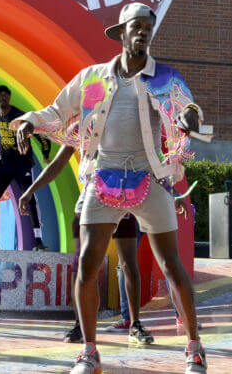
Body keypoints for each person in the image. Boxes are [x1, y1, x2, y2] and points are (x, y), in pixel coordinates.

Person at [12, 2, 207, 374]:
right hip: (102, 178)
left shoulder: (164, 76)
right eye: (136, 26)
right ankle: (89, 351)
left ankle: (195, 348)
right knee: (88, 262)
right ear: (121, 33)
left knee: (170, 264)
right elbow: (58, 111)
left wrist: (188, 117)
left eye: (148, 27)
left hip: (150, 178)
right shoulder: (93, 78)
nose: (143, 31)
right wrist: (27, 122)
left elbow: (189, 108)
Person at [19, 145, 154, 346]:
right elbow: (58, 162)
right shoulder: (84, 123)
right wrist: (31, 190)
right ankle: (80, 323)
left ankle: (134, 324)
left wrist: (169, 194)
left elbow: (149, 159)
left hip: (122, 198)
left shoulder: (125, 121)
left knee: (128, 263)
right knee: (83, 265)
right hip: (90, 203)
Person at [0, 85, 51, 250]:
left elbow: (40, 135)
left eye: (6, 96)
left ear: (9, 98)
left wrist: (45, 153)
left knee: (29, 199)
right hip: (4, 162)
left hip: (22, 163)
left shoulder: (20, 116)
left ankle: (38, 240)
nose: (3, 98)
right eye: (0, 96)